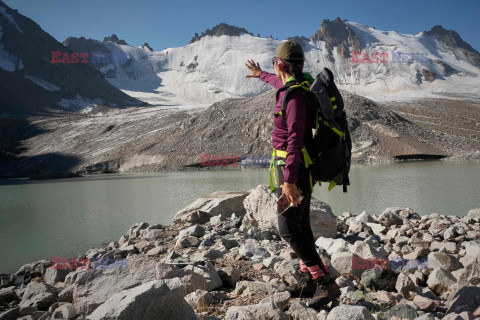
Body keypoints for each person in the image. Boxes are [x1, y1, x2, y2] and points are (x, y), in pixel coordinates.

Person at [244, 40, 340, 308]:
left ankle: (324, 282)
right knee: (300, 225)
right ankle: (307, 278)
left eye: (274, 64)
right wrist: (259, 74)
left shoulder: (296, 96)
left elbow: (295, 139)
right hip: (298, 169)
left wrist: (289, 181)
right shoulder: (292, 88)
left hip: (296, 171)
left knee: (286, 228)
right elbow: (278, 84)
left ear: (280, 64)